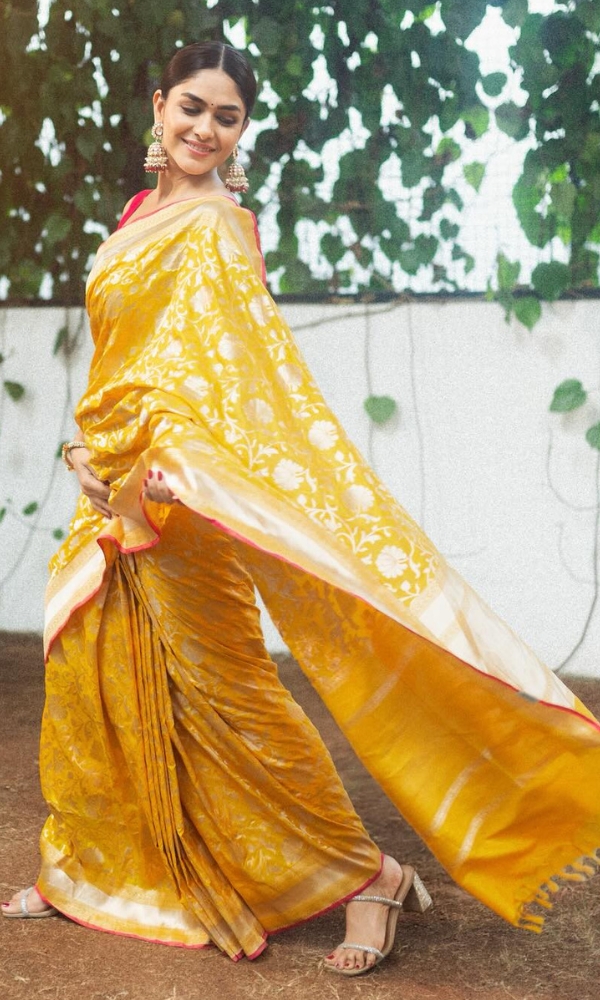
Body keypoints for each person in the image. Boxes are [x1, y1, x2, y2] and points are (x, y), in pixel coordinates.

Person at [3, 41, 600, 978]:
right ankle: (94, 863)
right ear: (158, 106)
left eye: (227, 117)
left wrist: (173, 465)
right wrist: (80, 449)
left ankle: (373, 876)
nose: (205, 128)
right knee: (92, 681)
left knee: (233, 695)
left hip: (176, 495)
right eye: (192, 107)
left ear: (242, 132)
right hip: (105, 484)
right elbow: (122, 361)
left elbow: (233, 381)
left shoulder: (219, 226)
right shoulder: (135, 220)